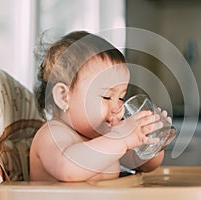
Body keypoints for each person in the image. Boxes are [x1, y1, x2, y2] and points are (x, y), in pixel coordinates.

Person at [29, 31, 171, 182]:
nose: (118, 107)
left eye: (121, 97)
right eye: (107, 97)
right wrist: (120, 139)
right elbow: (67, 169)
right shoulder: (52, 134)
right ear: (64, 97)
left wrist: (148, 140)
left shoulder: (103, 136)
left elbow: (144, 165)